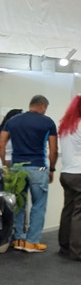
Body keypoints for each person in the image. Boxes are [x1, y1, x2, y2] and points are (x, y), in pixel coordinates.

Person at [0, 95, 58, 253]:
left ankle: (18, 239)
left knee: (19, 205)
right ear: (43, 105)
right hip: (38, 168)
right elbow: (53, 150)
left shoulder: (13, 121)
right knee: (38, 205)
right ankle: (32, 242)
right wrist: (52, 169)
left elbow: (1, 143)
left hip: (17, 168)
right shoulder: (48, 122)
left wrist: (4, 165)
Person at [56, 95, 81, 261]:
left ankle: (64, 246)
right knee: (79, 213)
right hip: (80, 173)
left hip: (66, 173)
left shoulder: (66, 127)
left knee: (68, 210)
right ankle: (77, 251)